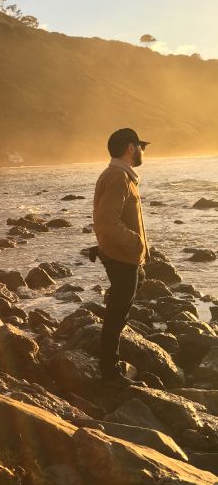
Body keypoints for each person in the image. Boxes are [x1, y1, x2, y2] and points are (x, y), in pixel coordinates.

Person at [93, 128, 150, 387]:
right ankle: (109, 372)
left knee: (119, 310)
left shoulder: (120, 175)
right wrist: (136, 243)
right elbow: (106, 221)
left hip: (121, 255)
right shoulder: (118, 177)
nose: (142, 152)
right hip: (121, 255)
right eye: (140, 147)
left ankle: (109, 366)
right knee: (117, 313)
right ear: (130, 148)